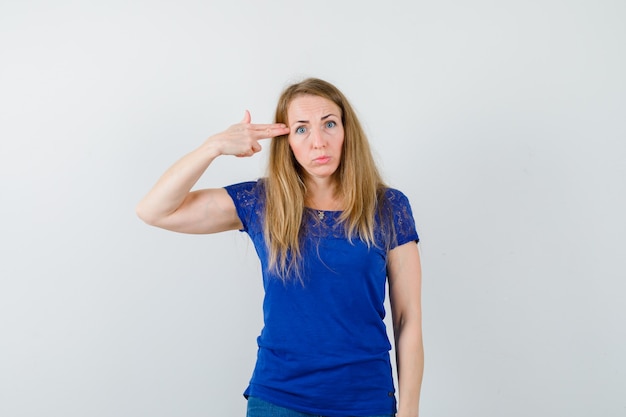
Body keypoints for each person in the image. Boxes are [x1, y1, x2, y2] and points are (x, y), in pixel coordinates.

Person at [136, 78, 423, 417]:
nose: (319, 142)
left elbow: (408, 319)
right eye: (301, 129)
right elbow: (154, 210)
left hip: (365, 399)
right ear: (286, 141)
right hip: (279, 398)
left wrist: (409, 411)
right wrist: (213, 146)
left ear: (347, 131)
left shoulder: (388, 207)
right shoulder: (262, 202)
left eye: (329, 124)